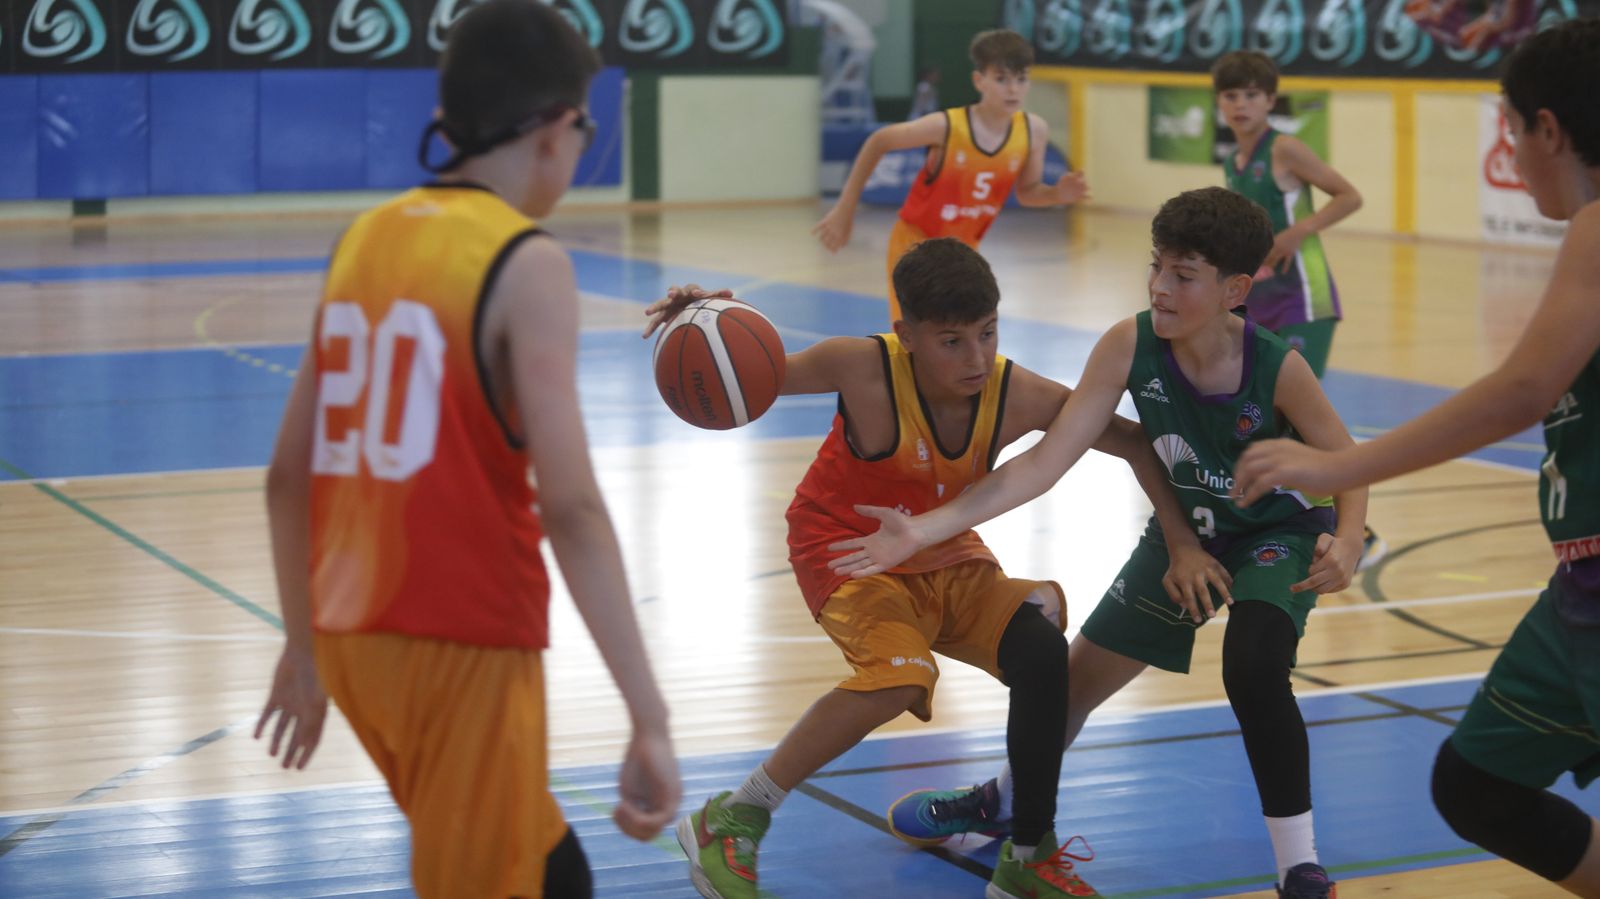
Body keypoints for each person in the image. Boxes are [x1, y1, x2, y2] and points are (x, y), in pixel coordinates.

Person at [831, 188, 1369, 899]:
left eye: (1183, 274)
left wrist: (1349, 538)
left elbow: (1348, 459)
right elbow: (1044, 461)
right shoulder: (1128, 344)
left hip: (1276, 533)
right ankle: (1003, 802)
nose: (1160, 286)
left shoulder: (1275, 367)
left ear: (1235, 290)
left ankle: (1299, 867)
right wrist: (926, 528)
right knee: (1072, 683)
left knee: (1254, 662)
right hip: (1187, 529)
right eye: (1157, 266)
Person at [253, 2, 680, 895]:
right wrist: (649, 714)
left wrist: (303, 647)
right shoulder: (528, 262)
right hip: (464, 644)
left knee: (550, 868)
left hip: (352, 637)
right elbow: (572, 506)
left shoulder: (363, 236)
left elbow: (287, 476)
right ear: (557, 129)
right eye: (586, 129)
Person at [644, 238, 1202, 899]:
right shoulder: (860, 366)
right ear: (906, 335)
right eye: (952, 342)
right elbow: (750, 376)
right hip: (847, 547)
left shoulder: (1015, 392)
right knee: (900, 678)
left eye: (987, 333)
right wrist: (700, 323)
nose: (977, 358)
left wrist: (1182, 541)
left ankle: (1028, 854)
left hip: (944, 550)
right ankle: (736, 814)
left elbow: (1135, 442)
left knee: (1041, 652)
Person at [1233, 20, 1600, 895]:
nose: (1513, 151)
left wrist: (1339, 466)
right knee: (1477, 784)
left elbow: (1522, 389)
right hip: (1576, 589)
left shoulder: (1597, 226)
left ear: (1548, 129)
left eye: (1513, 128)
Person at [1211, 49, 1387, 571]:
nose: (1241, 104)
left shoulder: (1284, 149)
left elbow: (1348, 196)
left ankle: (1357, 531)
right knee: (1266, 419)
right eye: (1231, 95)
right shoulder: (1233, 160)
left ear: (1270, 100)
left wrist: (1296, 232)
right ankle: (1290, 519)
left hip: (1303, 300)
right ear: (1219, 102)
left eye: (1251, 94)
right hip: (1259, 302)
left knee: (1306, 420)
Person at [813, 28, 1089, 321]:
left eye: (1021, 79)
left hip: (964, 252)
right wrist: (845, 209)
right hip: (915, 247)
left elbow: (1027, 192)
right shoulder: (946, 126)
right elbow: (879, 141)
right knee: (916, 335)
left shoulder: (1034, 130)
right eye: (1001, 79)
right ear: (979, 80)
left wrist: (1057, 194)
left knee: (969, 331)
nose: (1013, 89)